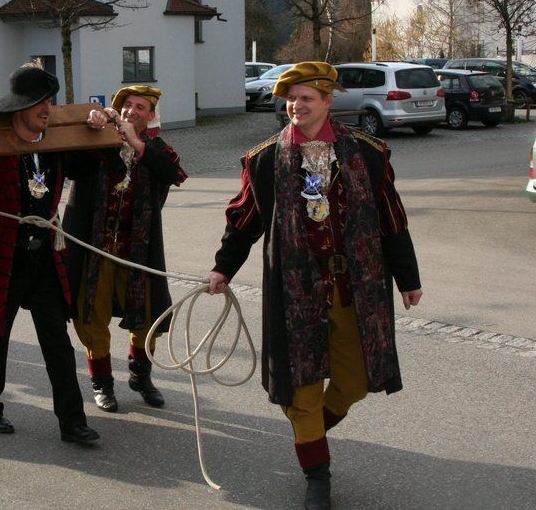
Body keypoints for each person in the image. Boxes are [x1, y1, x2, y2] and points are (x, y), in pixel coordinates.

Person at [206, 62, 423, 510]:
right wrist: (222, 268)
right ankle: (316, 475)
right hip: (295, 291)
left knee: (356, 380)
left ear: (328, 100)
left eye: (306, 97)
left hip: (354, 287)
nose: (296, 105)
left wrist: (408, 278)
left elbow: (391, 218)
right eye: (290, 98)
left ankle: (309, 436)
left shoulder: (368, 153)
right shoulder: (265, 159)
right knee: (301, 387)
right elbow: (243, 220)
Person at [0, 64, 99, 445]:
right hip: (0, 249)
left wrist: (97, 128)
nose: (47, 109)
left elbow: (93, 166)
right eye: (39, 103)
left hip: (44, 253)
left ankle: (72, 421)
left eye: (49, 101)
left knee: (57, 340)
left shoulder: (55, 145)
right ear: (19, 108)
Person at [63, 85, 186, 412]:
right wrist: (88, 129)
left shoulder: (157, 149)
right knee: (91, 317)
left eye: (140, 107)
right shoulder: (97, 142)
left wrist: (137, 144)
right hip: (95, 250)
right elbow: (70, 166)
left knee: (147, 318)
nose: (132, 111)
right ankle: (102, 383)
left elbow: (175, 173)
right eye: (127, 105)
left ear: (151, 115)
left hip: (138, 252)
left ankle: (140, 377)